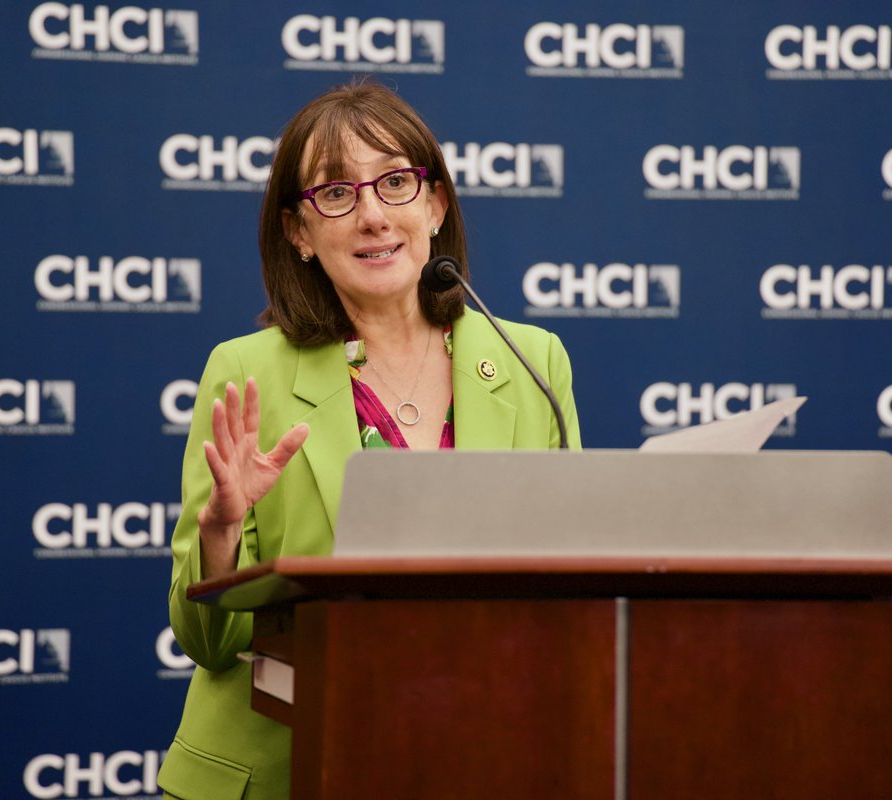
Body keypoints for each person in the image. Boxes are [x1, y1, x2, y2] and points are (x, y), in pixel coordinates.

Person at [158, 80, 581, 800]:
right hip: (287, 768)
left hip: (478, 756)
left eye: (395, 183)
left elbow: (572, 586)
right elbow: (207, 642)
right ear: (298, 231)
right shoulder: (245, 371)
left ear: (436, 205)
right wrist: (223, 536)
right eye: (336, 194)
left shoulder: (530, 360)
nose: (373, 215)